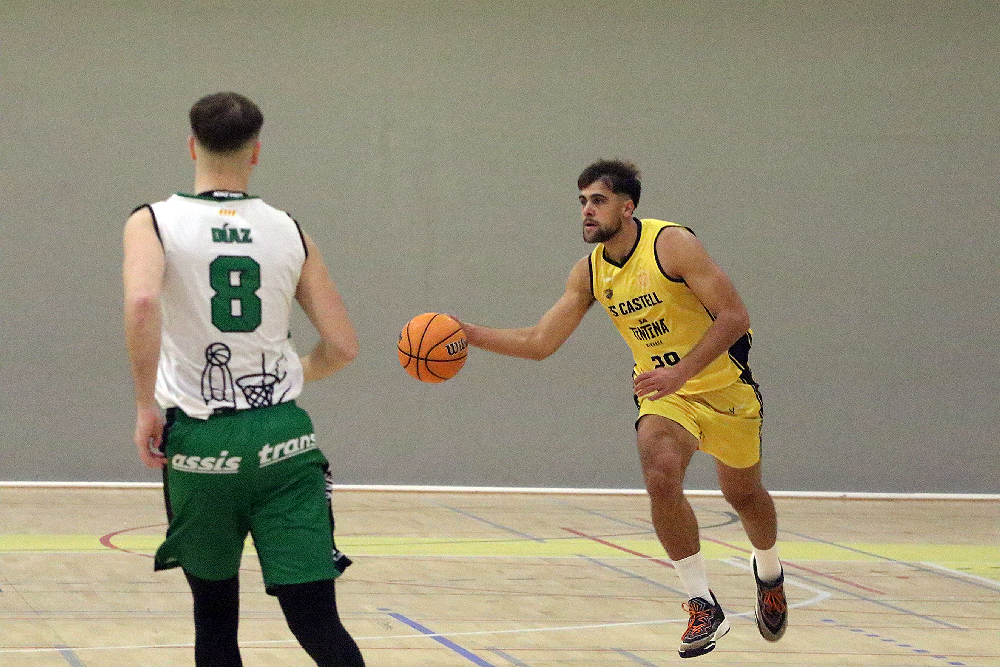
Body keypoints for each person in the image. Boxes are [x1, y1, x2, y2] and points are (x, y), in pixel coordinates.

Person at [456, 159, 787, 658]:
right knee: (660, 475)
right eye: (582, 202)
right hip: (664, 394)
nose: (587, 211)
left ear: (627, 207)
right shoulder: (589, 272)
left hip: (725, 388)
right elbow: (540, 342)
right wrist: (467, 333)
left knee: (744, 495)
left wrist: (683, 370)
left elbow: (735, 316)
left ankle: (769, 571)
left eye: (598, 200)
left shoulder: (671, 244)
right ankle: (702, 602)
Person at [123, 92, 365, 667]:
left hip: (202, 442)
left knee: (214, 621)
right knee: (317, 620)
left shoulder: (152, 221)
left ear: (192, 146)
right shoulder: (289, 229)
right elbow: (343, 347)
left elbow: (141, 302)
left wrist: (144, 405)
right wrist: (289, 373)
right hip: (284, 439)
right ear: (255, 152)